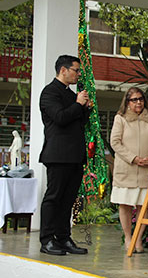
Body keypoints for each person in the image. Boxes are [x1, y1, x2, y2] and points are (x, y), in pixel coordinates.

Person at [39, 55, 90, 255]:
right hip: (58, 154)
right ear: (63, 70)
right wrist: (78, 105)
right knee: (54, 197)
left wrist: (84, 108)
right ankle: (47, 239)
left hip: (75, 154)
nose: (78, 74)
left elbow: (78, 122)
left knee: (69, 199)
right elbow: (60, 118)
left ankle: (63, 237)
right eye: (76, 70)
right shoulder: (49, 92)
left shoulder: (71, 95)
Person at [110, 87, 148, 253]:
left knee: (143, 206)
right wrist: (134, 158)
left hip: (147, 170)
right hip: (126, 169)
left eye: (140, 99)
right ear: (127, 102)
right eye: (134, 99)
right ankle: (128, 238)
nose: (138, 102)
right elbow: (115, 142)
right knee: (125, 205)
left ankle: (138, 239)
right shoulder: (120, 119)